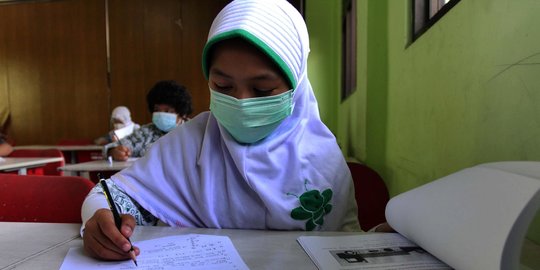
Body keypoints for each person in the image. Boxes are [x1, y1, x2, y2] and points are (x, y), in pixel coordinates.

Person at [81, 0, 361, 262]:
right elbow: (109, 196)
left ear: (296, 84)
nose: (241, 102)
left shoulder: (323, 160)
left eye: (263, 89)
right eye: (223, 86)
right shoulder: (188, 143)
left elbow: (345, 245)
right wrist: (102, 220)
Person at [105, 80, 192, 161]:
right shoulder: (146, 133)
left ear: (182, 113)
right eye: (157, 110)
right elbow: (114, 147)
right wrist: (113, 151)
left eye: (167, 111)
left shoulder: (194, 131)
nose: (161, 115)